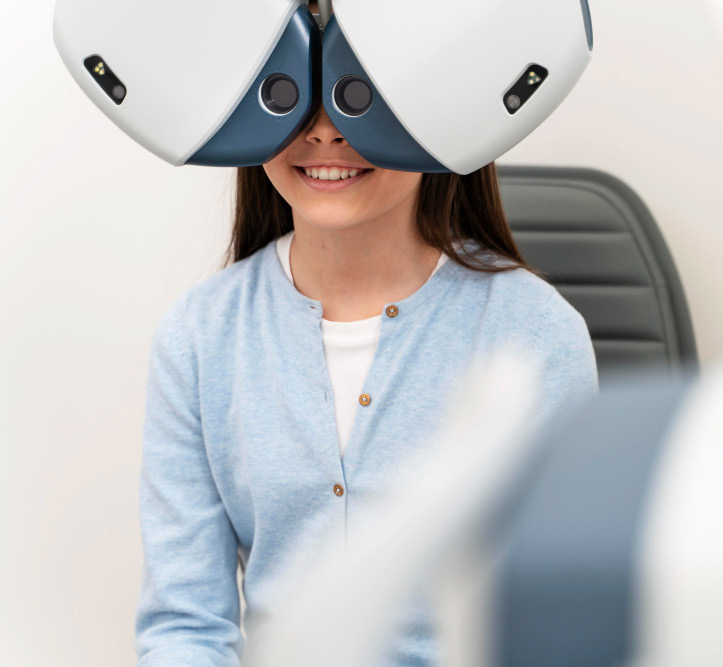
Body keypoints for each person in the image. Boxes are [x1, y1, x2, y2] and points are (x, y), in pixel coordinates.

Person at [132, 96, 599, 666]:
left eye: (359, 95)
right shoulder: (199, 334)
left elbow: (563, 627)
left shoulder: (536, 332)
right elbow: (186, 626)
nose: (325, 131)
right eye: (293, 96)